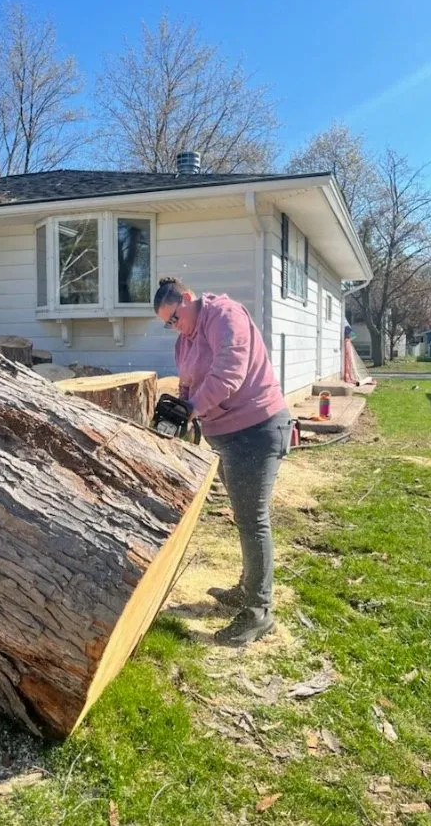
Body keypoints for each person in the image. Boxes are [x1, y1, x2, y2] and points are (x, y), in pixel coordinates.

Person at [154, 276, 293, 647]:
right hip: (227, 437)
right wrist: (180, 414)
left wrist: (195, 407)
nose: (173, 327)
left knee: (253, 519)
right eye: (167, 324)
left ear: (187, 298)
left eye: (174, 318)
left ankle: (260, 611)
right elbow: (188, 387)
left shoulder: (225, 316)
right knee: (242, 515)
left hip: (257, 430)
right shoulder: (185, 340)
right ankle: (247, 589)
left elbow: (228, 373)